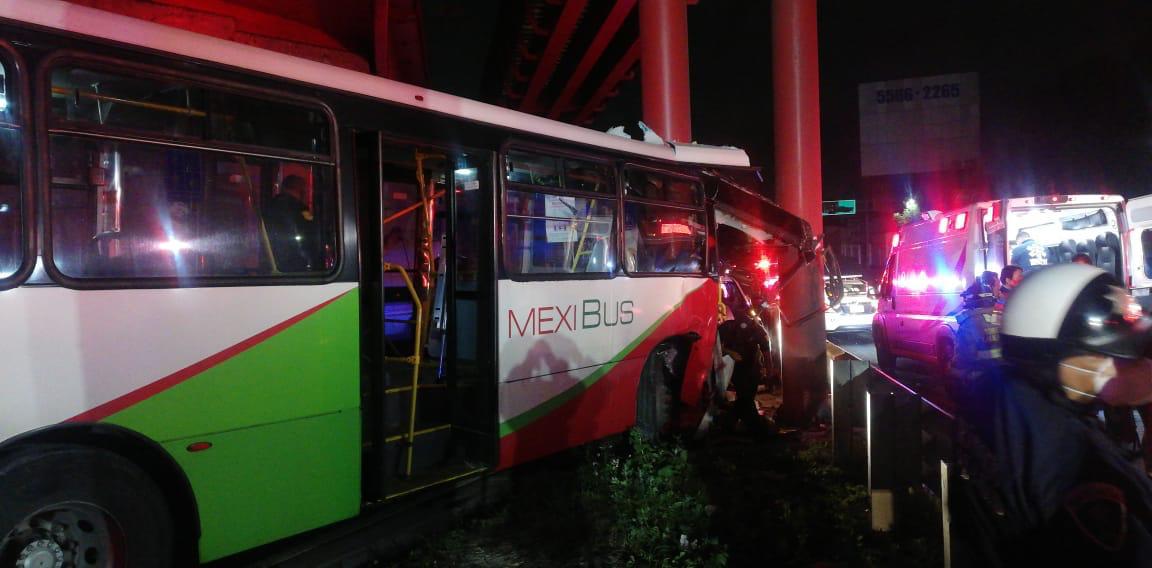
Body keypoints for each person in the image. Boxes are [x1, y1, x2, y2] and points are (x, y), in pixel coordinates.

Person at [954, 264, 1152, 565]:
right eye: (1111, 355)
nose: (1128, 366)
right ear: (1056, 357)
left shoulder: (1009, 411)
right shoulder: (1076, 467)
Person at [264, 174, 318, 272]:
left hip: (272, 261)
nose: (306, 191)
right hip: (294, 263)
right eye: (305, 188)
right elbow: (309, 235)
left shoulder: (270, 205)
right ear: (300, 189)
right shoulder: (300, 208)